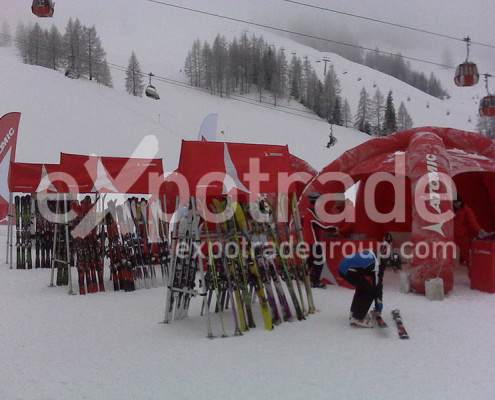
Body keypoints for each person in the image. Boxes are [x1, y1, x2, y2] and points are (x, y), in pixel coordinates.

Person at [338, 250, 384, 328]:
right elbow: (377, 288)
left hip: (344, 267)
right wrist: (378, 308)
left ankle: (354, 313)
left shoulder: (372, 254)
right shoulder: (377, 265)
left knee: (363, 288)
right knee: (370, 292)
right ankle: (357, 318)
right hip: (348, 270)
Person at [453, 197, 486, 265]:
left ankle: (470, 265)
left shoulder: (466, 210)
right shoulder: (451, 210)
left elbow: (472, 221)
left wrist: (479, 230)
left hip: (462, 235)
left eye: (457, 202)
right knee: (453, 253)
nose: (456, 204)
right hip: (452, 236)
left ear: (461, 201)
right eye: (454, 202)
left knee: (466, 253)